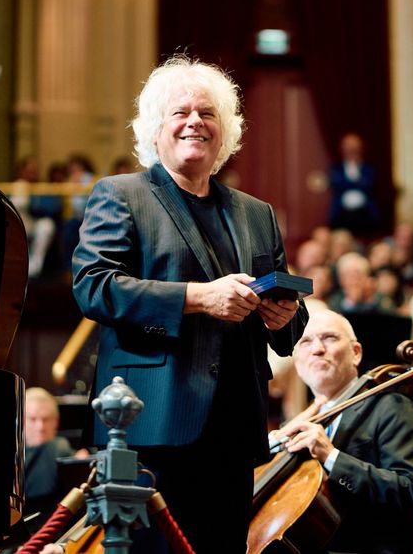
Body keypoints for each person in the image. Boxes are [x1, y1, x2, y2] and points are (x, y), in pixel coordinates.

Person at [71, 56, 307, 554]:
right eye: (180, 112)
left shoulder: (255, 213)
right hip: (151, 422)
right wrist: (199, 298)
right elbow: (94, 285)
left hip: (235, 427)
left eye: (208, 113)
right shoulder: (121, 194)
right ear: (155, 130)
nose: (195, 121)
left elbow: (289, 319)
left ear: (225, 133)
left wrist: (284, 317)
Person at [271, 310, 413, 554]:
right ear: (297, 363)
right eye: (305, 342)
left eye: (330, 338)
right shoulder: (298, 425)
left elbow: (410, 494)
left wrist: (331, 456)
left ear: (356, 353)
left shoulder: (391, 408)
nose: (317, 349)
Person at [23, 387, 76, 533]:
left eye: (46, 420)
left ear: (56, 422)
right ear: (21, 420)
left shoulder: (61, 448)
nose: (40, 427)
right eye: (32, 419)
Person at [328, 133, 382, 238]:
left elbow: (369, 184)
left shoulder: (368, 169)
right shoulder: (336, 169)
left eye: (354, 147)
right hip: (342, 215)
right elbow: (337, 184)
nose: (351, 150)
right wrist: (356, 182)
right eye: (348, 147)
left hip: (364, 215)